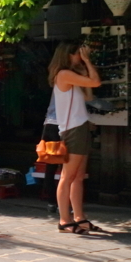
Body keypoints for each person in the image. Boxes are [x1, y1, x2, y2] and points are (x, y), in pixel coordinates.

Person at [49, 42, 101, 234]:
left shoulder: (71, 75)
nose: (82, 55)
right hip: (73, 130)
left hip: (80, 127)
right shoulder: (63, 74)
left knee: (78, 176)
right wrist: (87, 62)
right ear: (70, 55)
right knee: (68, 176)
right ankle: (64, 219)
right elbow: (96, 82)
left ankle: (79, 217)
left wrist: (83, 68)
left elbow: (88, 95)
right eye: (78, 53)